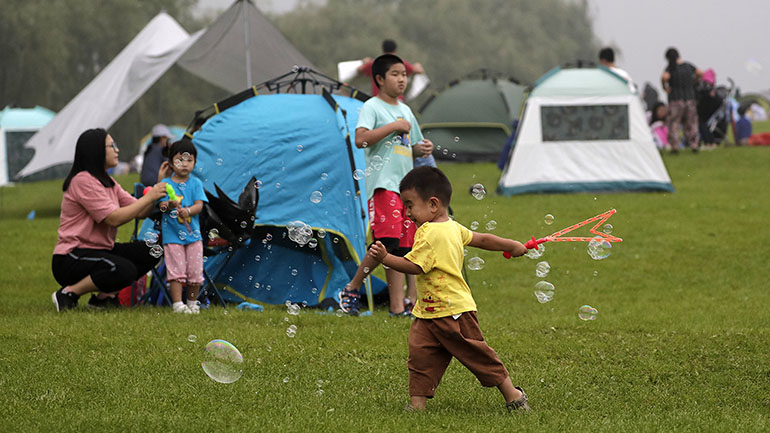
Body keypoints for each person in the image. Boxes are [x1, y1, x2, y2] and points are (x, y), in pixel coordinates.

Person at [367, 166, 531, 412]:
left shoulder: (431, 233)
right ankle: (417, 405)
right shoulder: (452, 226)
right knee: (420, 357)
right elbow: (482, 239)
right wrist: (512, 244)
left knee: (478, 355)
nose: (407, 213)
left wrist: (385, 258)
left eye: (410, 205)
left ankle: (514, 396)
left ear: (433, 204)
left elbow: (414, 266)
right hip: (428, 312)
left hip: (454, 311)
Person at [338, 53, 434, 317]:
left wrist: (423, 148)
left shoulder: (406, 111)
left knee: (404, 249)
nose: (402, 79)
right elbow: (361, 140)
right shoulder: (372, 107)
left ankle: (397, 306)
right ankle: (352, 288)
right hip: (383, 185)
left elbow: (411, 147)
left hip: (406, 190)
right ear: (379, 79)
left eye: (404, 74)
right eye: (395, 74)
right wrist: (393, 126)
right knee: (386, 242)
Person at [51, 128, 168, 311]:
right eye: (112, 145)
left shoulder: (108, 181)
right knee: (124, 269)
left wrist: (160, 187)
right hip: (72, 257)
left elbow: (140, 211)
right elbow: (113, 219)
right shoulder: (83, 181)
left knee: (153, 250)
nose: (117, 150)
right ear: (96, 150)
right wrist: (149, 196)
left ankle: (103, 299)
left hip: (101, 251)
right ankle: (68, 293)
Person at [157, 139, 208, 314]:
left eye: (189, 160)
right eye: (179, 160)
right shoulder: (166, 184)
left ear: (194, 162)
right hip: (172, 236)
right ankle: (178, 304)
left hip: (193, 236)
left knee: (195, 272)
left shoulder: (195, 184)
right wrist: (169, 205)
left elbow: (199, 205)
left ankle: (192, 302)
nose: (184, 164)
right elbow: (161, 206)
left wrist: (188, 211)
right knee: (176, 271)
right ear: (171, 163)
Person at [661, 47, 703, 153]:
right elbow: (700, 73)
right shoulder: (688, 66)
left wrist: (665, 87)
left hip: (675, 99)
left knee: (674, 123)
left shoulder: (671, 68)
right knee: (691, 122)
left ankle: (674, 146)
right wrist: (694, 81)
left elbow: (664, 77)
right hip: (690, 98)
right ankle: (694, 144)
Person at [357, 39, 425, 98]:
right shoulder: (401, 63)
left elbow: (359, 70)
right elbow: (418, 70)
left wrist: (365, 62)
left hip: (379, 99)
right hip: (396, 99)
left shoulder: (375, 63)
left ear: (383, 49)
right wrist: (418, 65)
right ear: (395, 50)